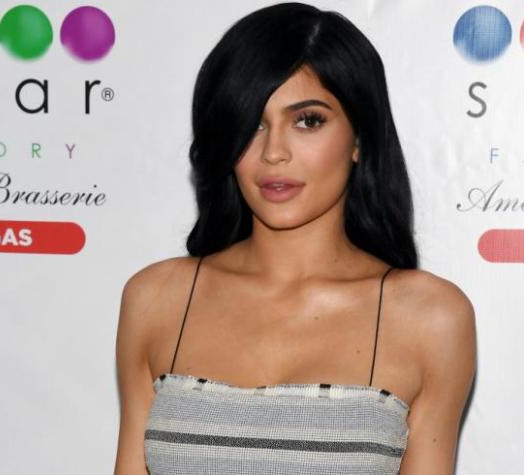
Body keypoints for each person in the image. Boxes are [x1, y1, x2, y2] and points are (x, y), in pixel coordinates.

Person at [114, 2, 476, 474]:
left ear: (359, 137)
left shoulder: (430, 318)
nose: (274, 152)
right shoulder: (157, 299)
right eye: (252, 123)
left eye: (307, 120)